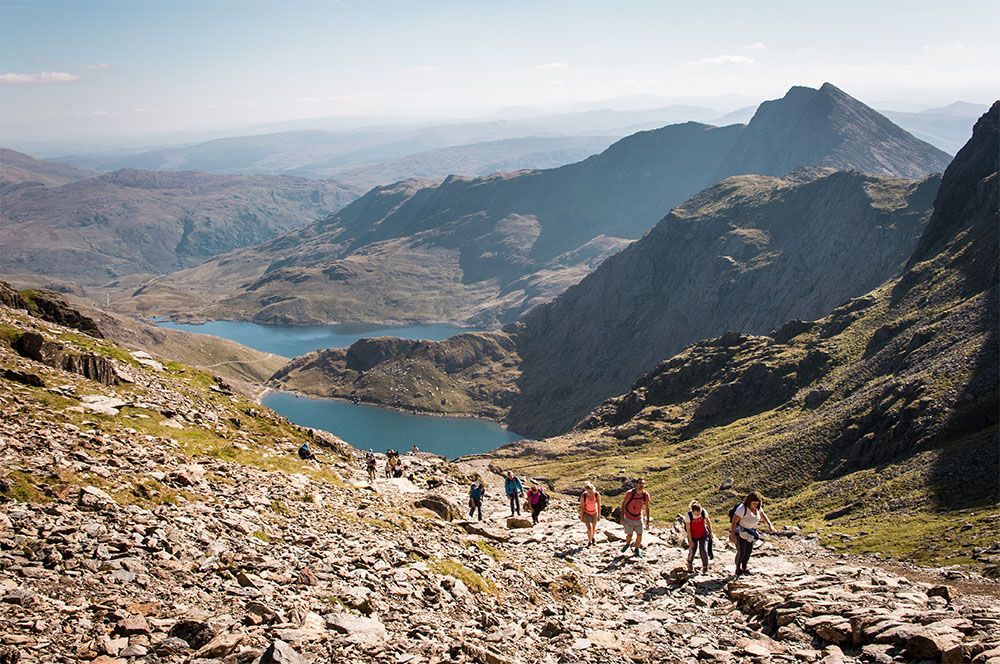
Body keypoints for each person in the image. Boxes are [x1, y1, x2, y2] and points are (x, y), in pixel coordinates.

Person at [729, 490, 775, 576]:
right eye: (753, 503)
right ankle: (737, 569)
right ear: (749, 501)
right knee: (741, 551)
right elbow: (734, 522)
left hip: (751, 533)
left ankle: (744, 567)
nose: (755, 505)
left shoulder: (758, 508)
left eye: (757, 503)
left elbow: (763, 515)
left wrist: (769, 525)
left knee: (748, 551)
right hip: (741, 532)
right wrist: (733, 536)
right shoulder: (742, 509)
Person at [619, 478, 651, 558]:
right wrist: (622, 517)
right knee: (629, 535)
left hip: (638, 517)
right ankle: (627, 544)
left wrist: (647, 520)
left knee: (639, 534)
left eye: (643, 483)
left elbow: (647, 507)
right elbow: (623, 505)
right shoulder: (629, 493)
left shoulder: (645, 495)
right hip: (629, 517)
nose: (641, 485)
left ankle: (636, 549)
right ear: (636, 484)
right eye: (640, 483)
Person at [684, 499, 714, 573]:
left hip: (702, 534)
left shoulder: (703, 511)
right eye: (696, 514)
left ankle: (705, 567)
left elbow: (708, 521)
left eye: (699, 513)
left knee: (703, 550)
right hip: (693, 535)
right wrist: (690, 541)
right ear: (693, 511)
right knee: (692, 550)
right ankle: (689, 564)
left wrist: (711, 532)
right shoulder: (689, 515)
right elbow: (688, 529)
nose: (698, 515)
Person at [579, 482, 601, 547]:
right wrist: (582, 516)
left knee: (594, 527)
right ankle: (589, 541)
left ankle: (593, 537)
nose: (589, 493)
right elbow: (582, 507)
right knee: (589, 528)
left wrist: (599, 515)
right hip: (586, 513)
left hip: (594, 512)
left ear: (593, 489)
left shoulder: (597, 494)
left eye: (591, 491)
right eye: (588, 491)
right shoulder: (584, 496)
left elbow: (599, 505)